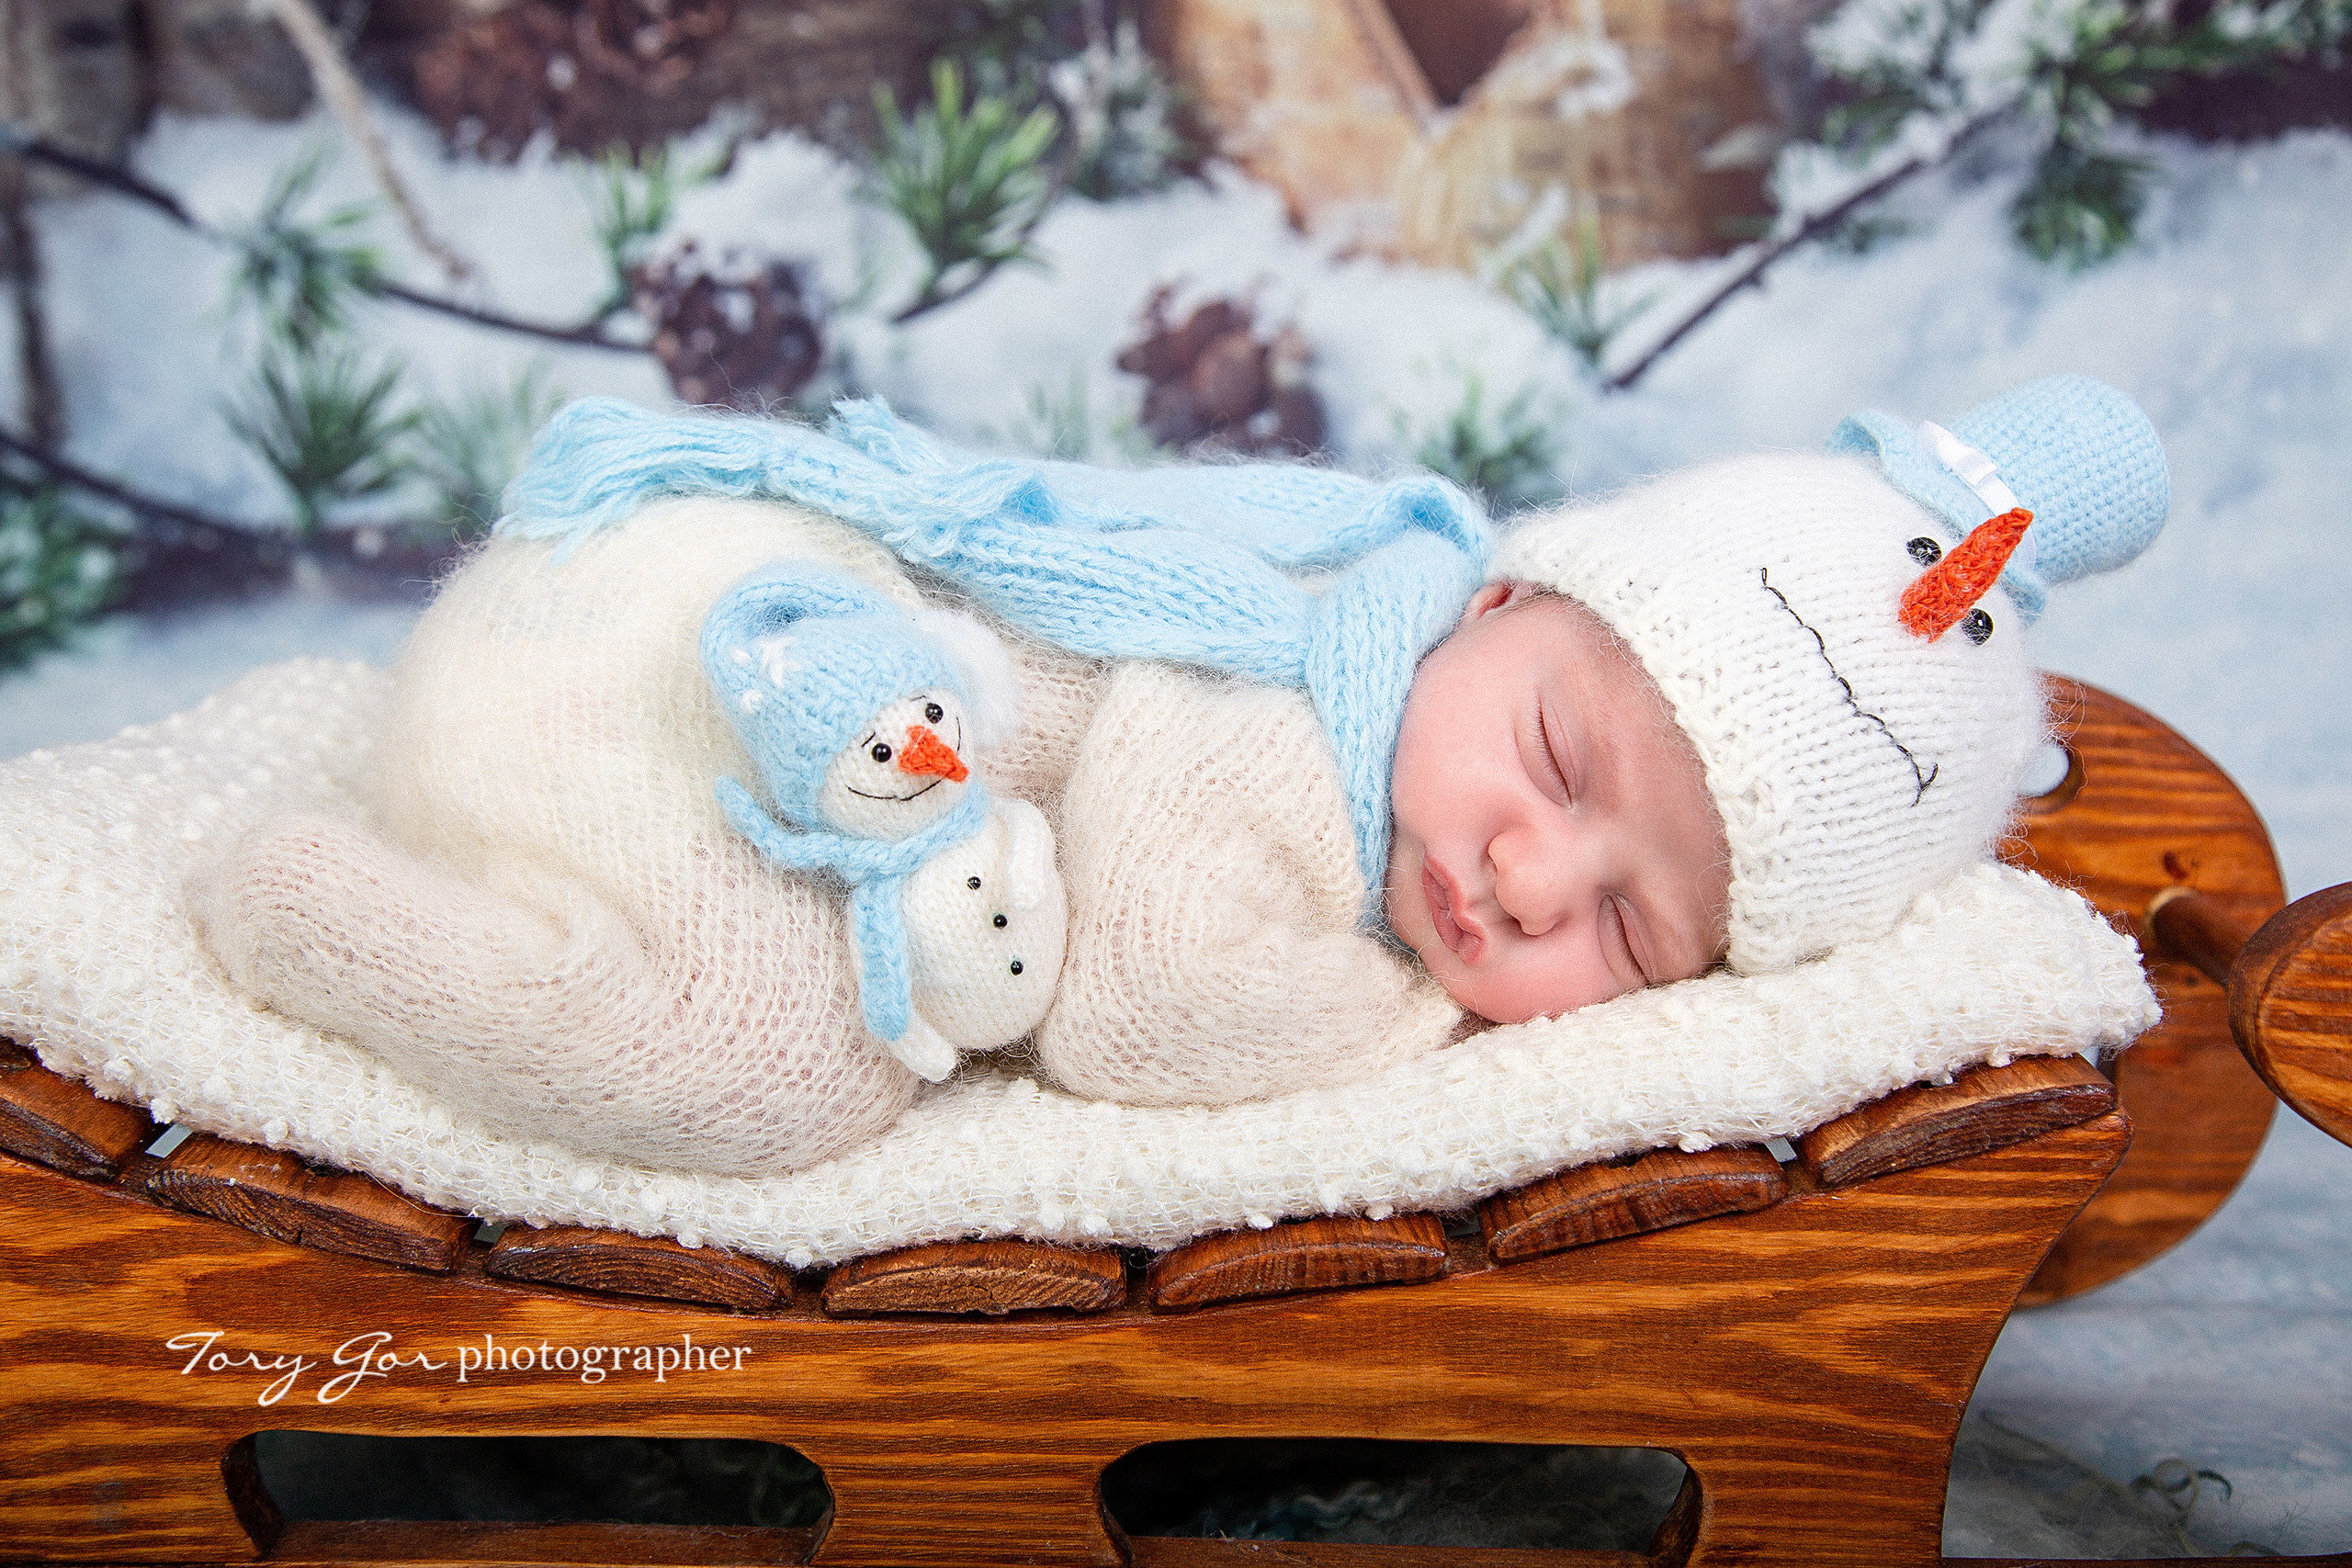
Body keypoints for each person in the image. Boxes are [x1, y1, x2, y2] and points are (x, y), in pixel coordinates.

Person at [193, 374, 2167, 1173]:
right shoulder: (1305, 708)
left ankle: (458, 892)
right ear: (1492, 598)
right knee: (763, 1062)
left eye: (1638, 925)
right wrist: (1417, 1013)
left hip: (714, 655)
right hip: (701, 632)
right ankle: (298, 910)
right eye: (1557, 757)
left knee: (787, 1008)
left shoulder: (1413, 684)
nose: (1530, 878)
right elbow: (1147, 1007)